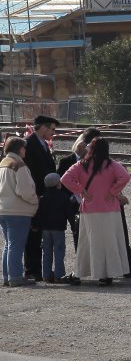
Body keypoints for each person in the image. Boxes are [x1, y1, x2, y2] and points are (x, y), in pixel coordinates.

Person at [57, 127, 131, 280]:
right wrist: (113, 191)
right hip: (110, 209)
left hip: (89, 209)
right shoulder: (112, 164)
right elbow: (124, 177)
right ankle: (108, 274)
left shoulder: (82, 165)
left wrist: (81, 190)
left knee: (89, 242)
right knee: (110, 242)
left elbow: (64, 179)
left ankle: (86, 271)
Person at [1, 136, 39, 288]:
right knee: (16, 245)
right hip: (18, 211)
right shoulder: (19, 165)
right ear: (19, 149)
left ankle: (7, 276)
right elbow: (24, 190)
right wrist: (35, 201)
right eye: (24, 147)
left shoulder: (3, 163)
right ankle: (15, 276)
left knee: (9, 245)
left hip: (3, 209)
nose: (25, 150)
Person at [22, 114, 57, 281]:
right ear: (43, 127)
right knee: (33, 234)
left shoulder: (42, 143)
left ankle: (38, 270)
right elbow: (31, 172)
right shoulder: (29, 144)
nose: (53, 133)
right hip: (35, 195)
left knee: (40, 233)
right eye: (52, 129)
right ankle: (31, 270)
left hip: (44, 195)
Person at [35, 172, 75, 284]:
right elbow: (69, 214)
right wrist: (73, 227)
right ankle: (59, 275)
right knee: (59, 252)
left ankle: (46, 275)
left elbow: (38, 214)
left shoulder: (43, 198)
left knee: (46, 252)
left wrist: (35, 225)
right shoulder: (64, 197)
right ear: (58, 184)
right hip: (58, 228)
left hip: (45, 229)